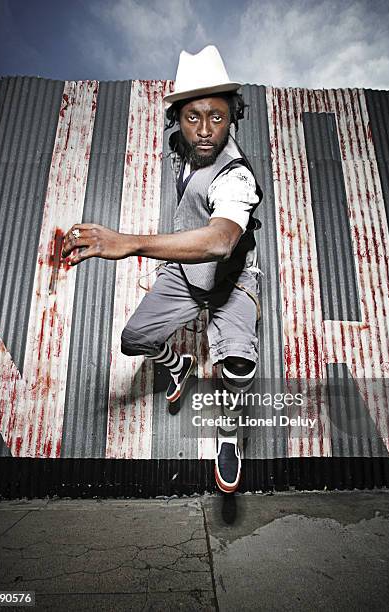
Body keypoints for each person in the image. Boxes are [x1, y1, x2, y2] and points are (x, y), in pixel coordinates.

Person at [62, 45, 263, 493]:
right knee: (135, 340)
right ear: (179, 119)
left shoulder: (236, 177)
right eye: (194, 117)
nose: (206, 130)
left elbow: (220, 239)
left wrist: (130, 243)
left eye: (218, 116)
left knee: (238, 364)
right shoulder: (181, 149)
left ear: (233, 116)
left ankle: (229, 431)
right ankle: (177, 364)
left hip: (231, 279)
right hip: (185, 274)